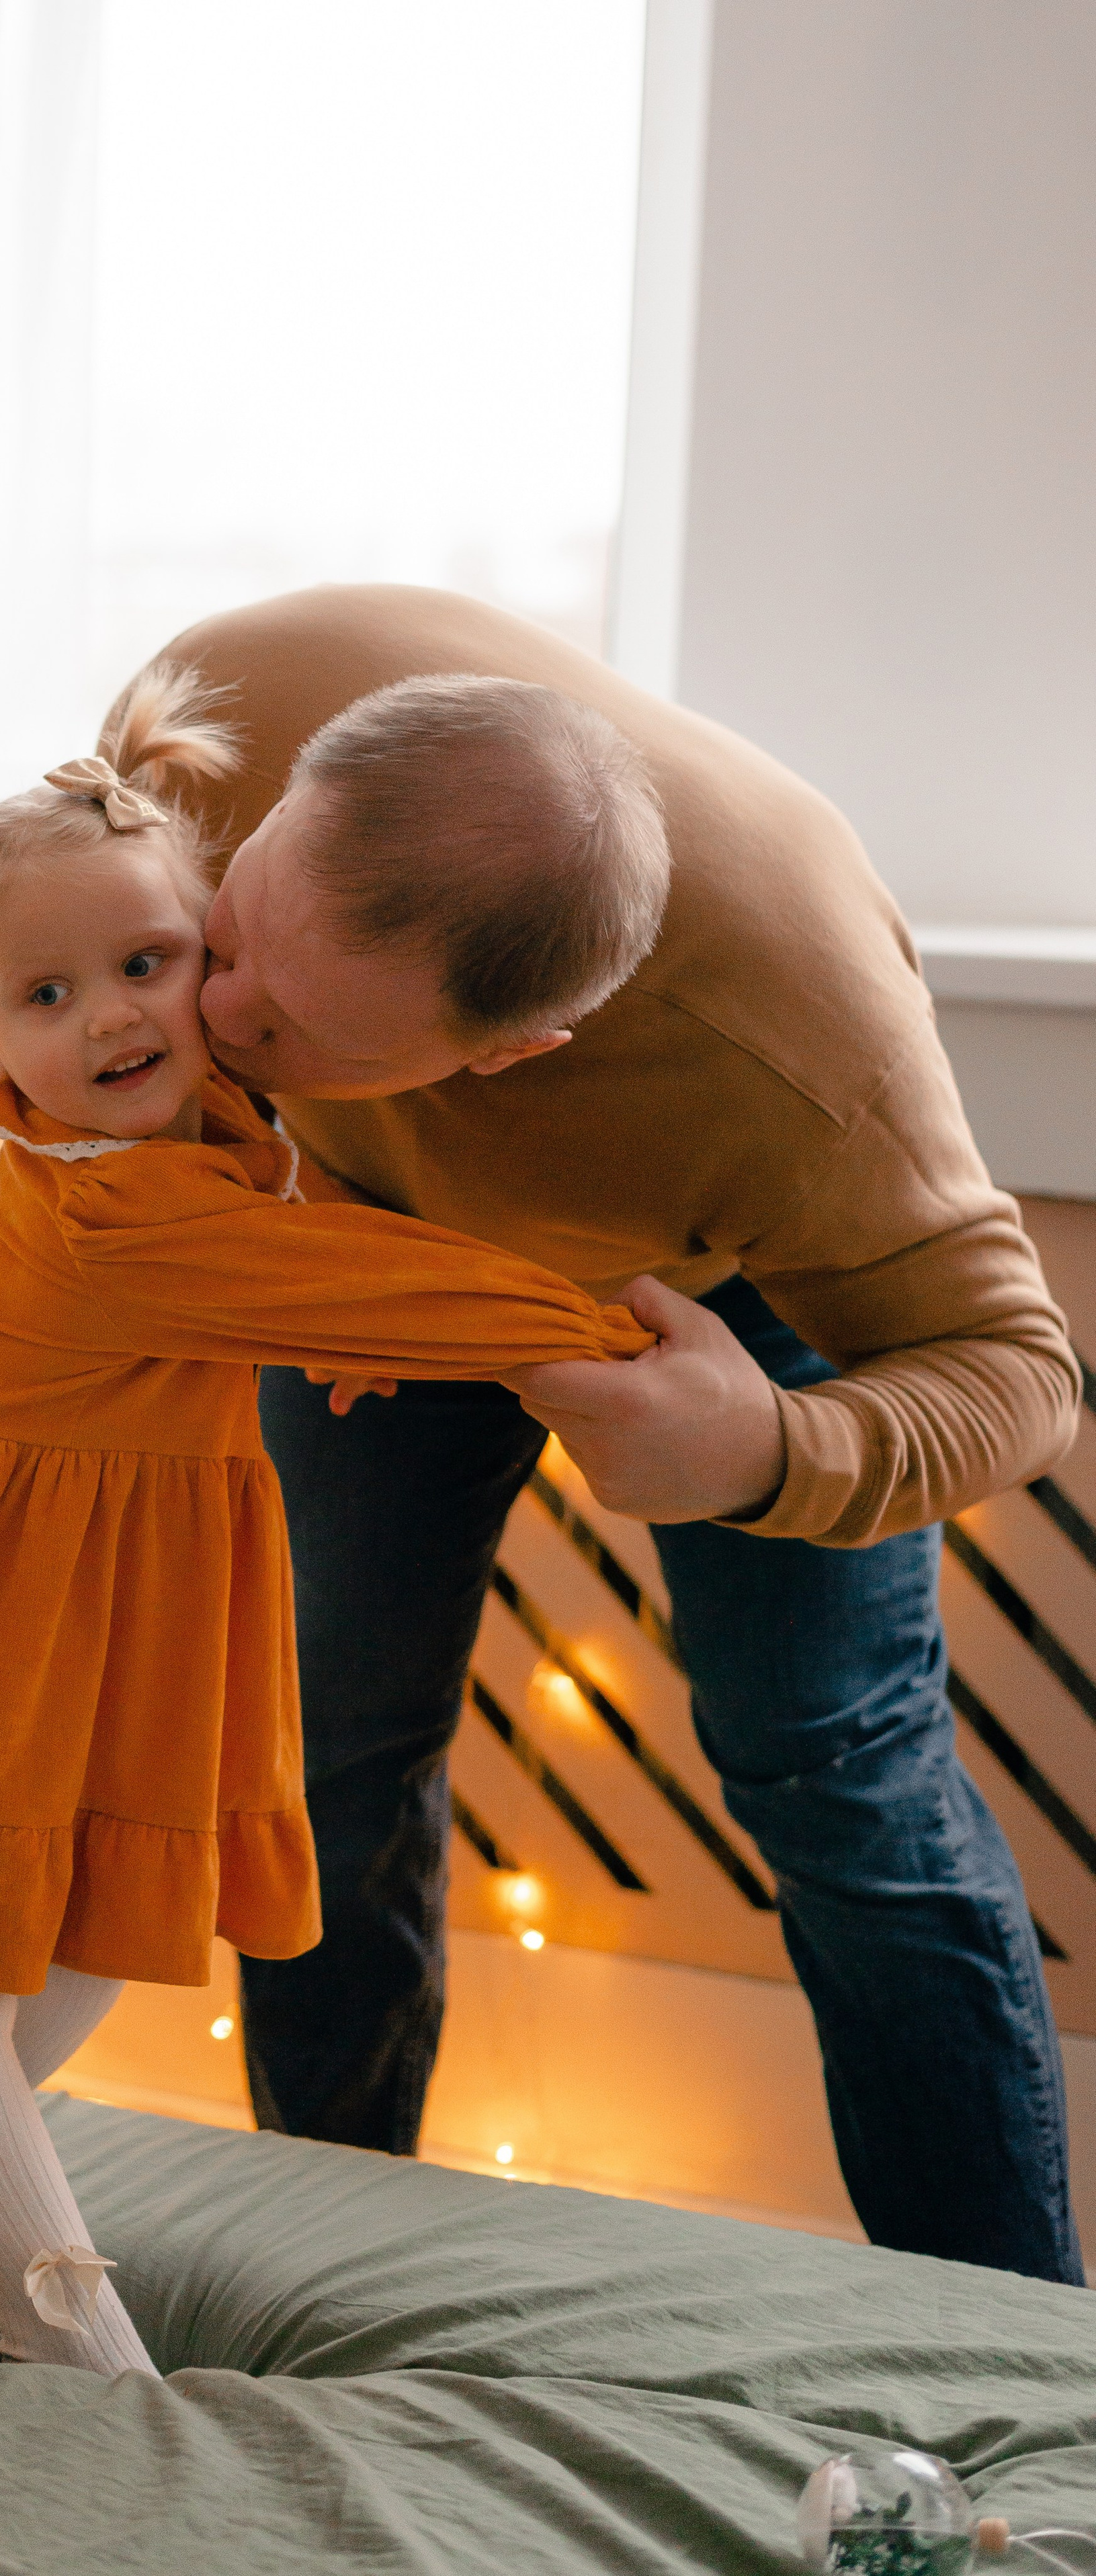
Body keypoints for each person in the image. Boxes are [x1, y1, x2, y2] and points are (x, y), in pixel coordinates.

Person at [0, 666, 653, 2373]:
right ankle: (79, 2352)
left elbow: (310, 1250)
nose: (106, 1018)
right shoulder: (103, 1207)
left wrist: (328, 1318)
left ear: (218, 968)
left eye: (143, 966)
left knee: (97, 1938)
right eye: (44, 994)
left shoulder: (228, 1126)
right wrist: (606, 1330)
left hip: (132, 1600)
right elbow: (362, 1278)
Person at [112, 583, 1085, 2286]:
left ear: (514, 1056)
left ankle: (1012, 2353)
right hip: (355, 1230)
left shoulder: (801, 1075)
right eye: (231, 927)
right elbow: (78, 976)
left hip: (724, 1303)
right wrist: (268, 1189)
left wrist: (763, 1452)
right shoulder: (217, 707)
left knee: (838, 1780)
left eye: (287, 1026)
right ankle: (321, 2267)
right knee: (317, 1747)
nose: (220, 1006)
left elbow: (1017, 1373)